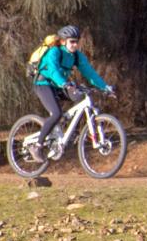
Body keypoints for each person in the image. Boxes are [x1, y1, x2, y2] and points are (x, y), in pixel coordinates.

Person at [29, 25, 114, 161]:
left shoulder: (76, 56)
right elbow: (53, 71)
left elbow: (90, 72)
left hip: (60, 85)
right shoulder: (54, 52)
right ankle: (37, 146)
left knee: (80, 97)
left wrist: (105, 87)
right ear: (63, 41)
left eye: (76, 41)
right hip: (44, 84)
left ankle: (69, 129)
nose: (75, 44)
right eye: (72, 41)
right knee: (56, 113)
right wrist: (64, 83)